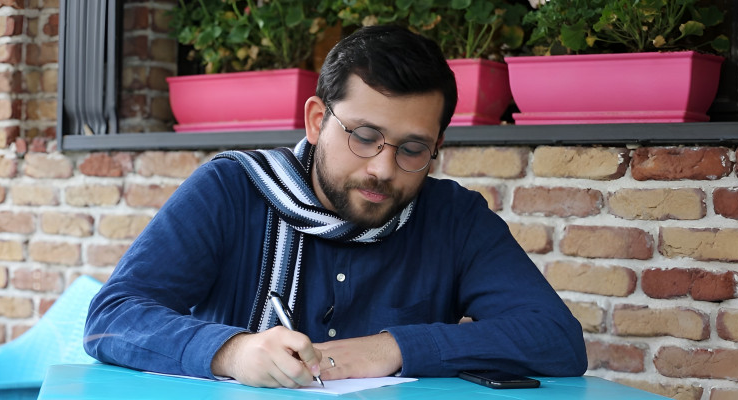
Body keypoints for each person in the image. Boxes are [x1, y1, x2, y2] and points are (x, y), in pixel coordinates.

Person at [84, 25, 587, 388]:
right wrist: (232, 352)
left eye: (413, 149)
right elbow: (113, 316)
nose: (383, 169)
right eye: (364, 137)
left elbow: (556, 338)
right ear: (315, 121)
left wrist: (392, 348)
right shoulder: (231, 189)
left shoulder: (455, 218)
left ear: (437, 147)